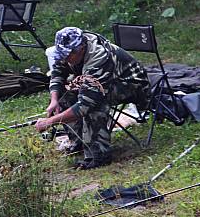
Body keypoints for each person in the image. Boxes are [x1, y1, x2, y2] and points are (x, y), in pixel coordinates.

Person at [34, 27, 150, 170]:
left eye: (67, 55)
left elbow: (86, 105)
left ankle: (98, 155)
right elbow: (58, 72)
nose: (64, 58)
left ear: (80, 49)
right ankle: (79, 142)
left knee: (95, 105)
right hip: (106, 81)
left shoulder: (98, 57)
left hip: (130, 85)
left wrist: (49, 122)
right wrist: (54, 99)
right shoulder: (69, 50)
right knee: (65, 94)